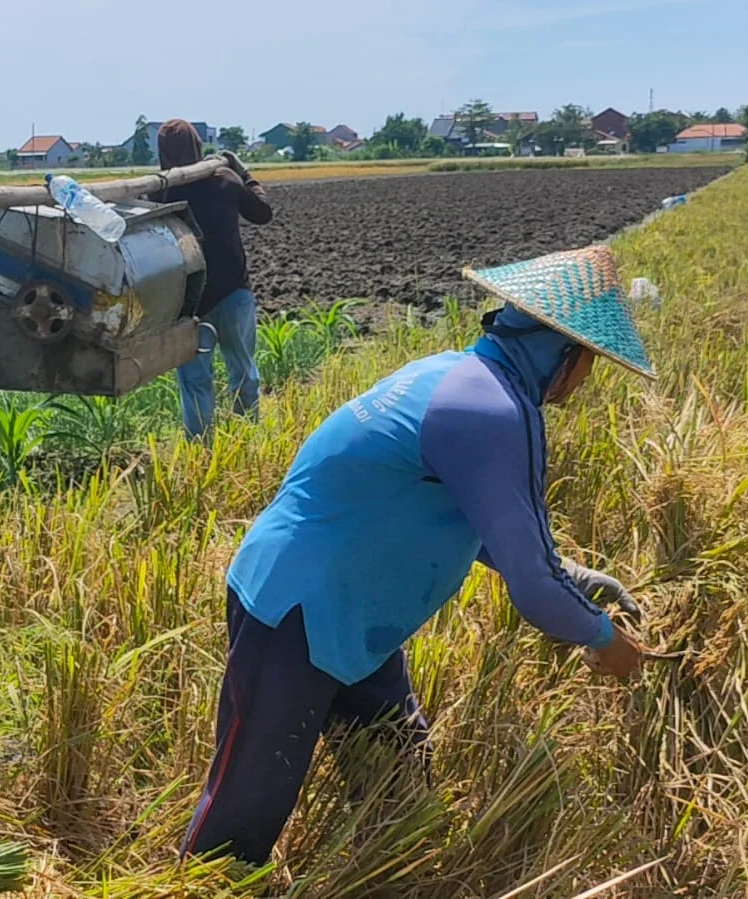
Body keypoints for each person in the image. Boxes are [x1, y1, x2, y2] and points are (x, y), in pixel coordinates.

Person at [181, 245, 654, 865]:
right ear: (564, 353)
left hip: (354, 618)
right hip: (295, 613)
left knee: (397, 785)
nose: (586, 379)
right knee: (243, 811)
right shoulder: (495, 410)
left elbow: (476, 527)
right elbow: (533, 587)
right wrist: (603, 639)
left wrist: (575, 576)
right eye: (590, 362)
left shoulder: (458, 376)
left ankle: (388, 875)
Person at [153, 119, 273, 439]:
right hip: (233, 292)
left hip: (187, 304)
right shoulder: (224, 179)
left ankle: (201, 452)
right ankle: (245, 438)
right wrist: (245, 173)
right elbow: (262, 212)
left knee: (195, 382)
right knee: (243, 372)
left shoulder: (159, 192)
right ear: (197, 146)